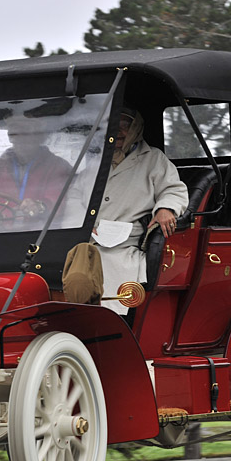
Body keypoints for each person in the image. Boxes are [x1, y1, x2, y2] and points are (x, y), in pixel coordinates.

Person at [95, 107, 188, 314]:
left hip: (127, 241)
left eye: (125, 126)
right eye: (113, 126)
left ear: (136, 128)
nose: (118, 131)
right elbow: (74, 196)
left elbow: (174, 189)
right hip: (88, 235)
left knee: (106, 263)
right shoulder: (93, 159)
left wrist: (165, 209)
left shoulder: (154, 159)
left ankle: (110, 319)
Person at [0, 117, 73, 233]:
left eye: (27, 135)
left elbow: (59, 201)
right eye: (15, 136)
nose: (21, 141)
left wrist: (40, 206)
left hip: (40, 237)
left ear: (40, 138)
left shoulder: (58, 166)